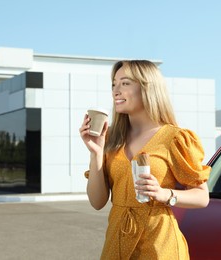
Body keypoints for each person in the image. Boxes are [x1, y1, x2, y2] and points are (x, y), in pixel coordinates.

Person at [79, 60, 211, 260]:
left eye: (125, 83)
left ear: (148, 88)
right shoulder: (111, 138)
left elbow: (202, 197)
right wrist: (96, 153)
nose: (116, 90)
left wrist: (164, 194)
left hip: (161, 246)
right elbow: (97, 202)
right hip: (118, 244)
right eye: (114, 84)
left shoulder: (175, 138)